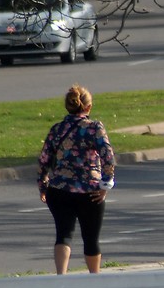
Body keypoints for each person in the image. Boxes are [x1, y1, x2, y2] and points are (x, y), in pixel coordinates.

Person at [38, 84, 116, 274]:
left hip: (59, 190)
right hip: (90, 191)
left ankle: (61, 276)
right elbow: (108, 157)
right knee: (90, 238)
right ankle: (93, 278)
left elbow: (44, 159)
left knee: (63, 234)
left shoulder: (56, 129)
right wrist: (105, 184)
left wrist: (43, 186)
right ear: (88, 107)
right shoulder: (94, 128)